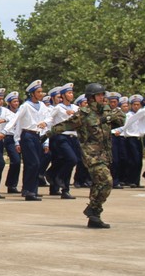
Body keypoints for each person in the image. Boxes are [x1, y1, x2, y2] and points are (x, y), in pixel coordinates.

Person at [49, 82, 126, 228]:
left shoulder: (106, 110)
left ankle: (94, 216)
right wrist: (46, 135)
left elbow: (121, 117)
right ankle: (93, 209)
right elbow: (64, 125)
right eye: (99, 95)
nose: (102, 97)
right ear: (91, 97)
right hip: (91, 154)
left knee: (98, 185)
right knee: (107, 181)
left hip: (104, 154)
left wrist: (106, 118)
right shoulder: (83, 114)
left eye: (103, 94)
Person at [12, 80, 51, 201]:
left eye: (41, 91)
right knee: (33, 163)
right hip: (27, 135)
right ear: (32, 93)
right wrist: (15, 139)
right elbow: (16, 121)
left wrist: (46, 123)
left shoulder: (42, 105)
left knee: (35, 164)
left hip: (37, 136)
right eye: (38, 92)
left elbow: (49, 116)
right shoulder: (26, 106)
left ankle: (31, 190)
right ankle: (29, 190)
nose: (41, 94)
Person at [48, 83, 80, 199]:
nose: (71, 95)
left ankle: (65, 190)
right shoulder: (58, 108)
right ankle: (57, 176)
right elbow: (49, 120)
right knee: (72, 159)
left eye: (72, 92)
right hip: (61, 137)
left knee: (69, 163)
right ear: (63, 95)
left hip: (73, 138)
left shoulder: (76, 108)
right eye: (69, 93)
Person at [3, 91, 22, 193]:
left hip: (20, 138)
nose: (16, 103)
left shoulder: (20, 111)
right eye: (14, 101)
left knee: (19, 162)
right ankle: (11, 184)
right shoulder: (5, 112)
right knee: (16, 160)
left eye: (17, 101)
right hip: (9, 138)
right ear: (9, 103)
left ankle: (13, 185)